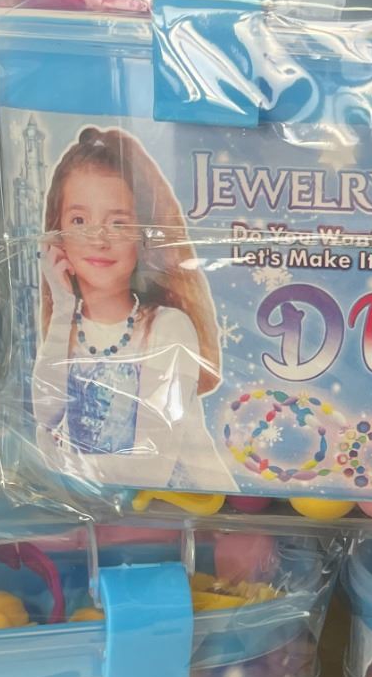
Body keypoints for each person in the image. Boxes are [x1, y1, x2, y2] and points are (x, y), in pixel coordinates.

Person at [29, 126, 234, 489]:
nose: (98, 239)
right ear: (56, 233)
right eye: (79, 220)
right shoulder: (67, 326)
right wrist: (62, 308)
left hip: (195, 509)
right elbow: (44, 417)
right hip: (109, 505)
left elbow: (150, 470)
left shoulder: (167, 329)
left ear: (145, 236)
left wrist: (55, 460)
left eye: (118, 223)